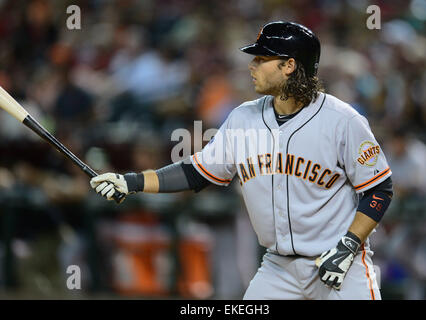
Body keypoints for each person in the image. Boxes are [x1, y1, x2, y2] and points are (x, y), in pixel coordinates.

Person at [90, 21, 393, 300]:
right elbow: (197, 172)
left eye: (262, 59)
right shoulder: (243, 117)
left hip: (339, 262)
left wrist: (349, 244)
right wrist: (130, 181)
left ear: (289, 66)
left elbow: (379, 189)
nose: (252, 65)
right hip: (278, 268)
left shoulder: (342, 120)